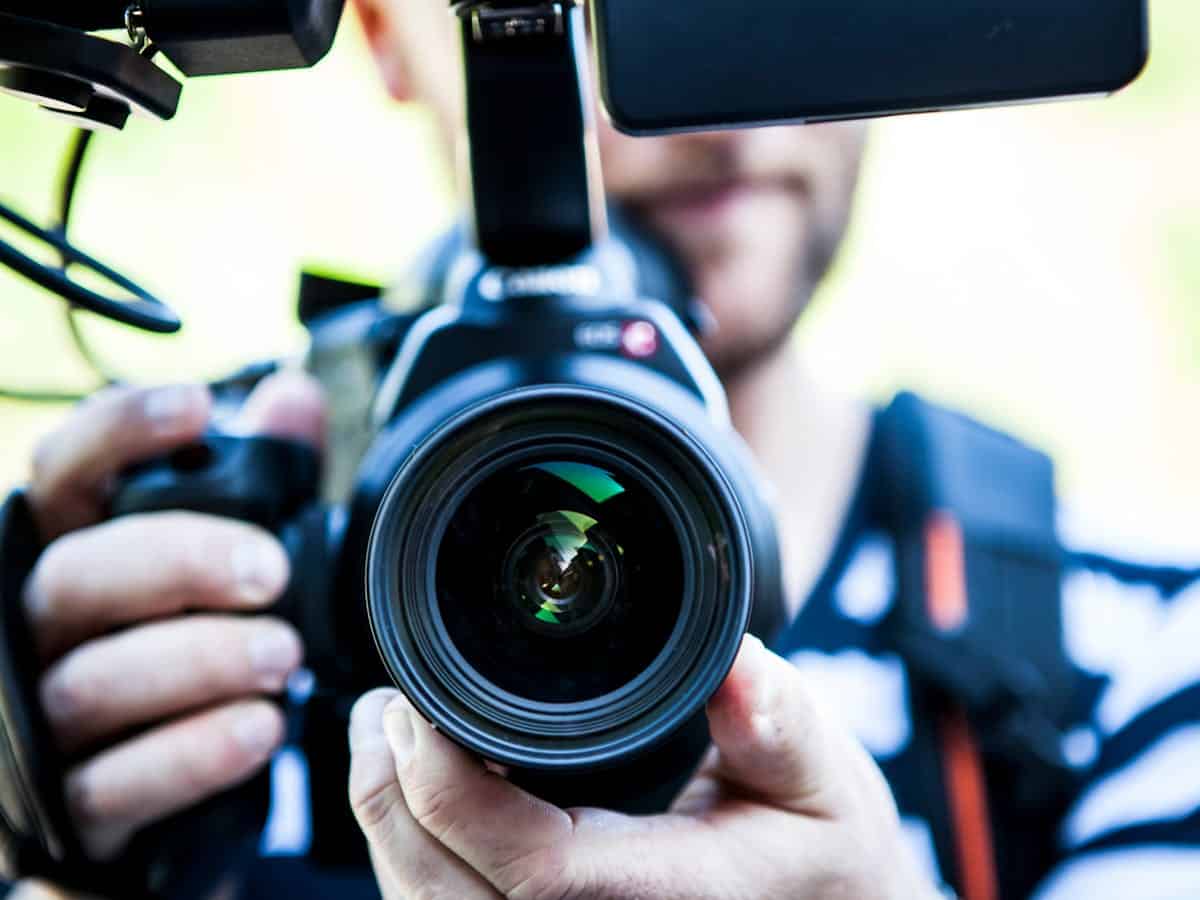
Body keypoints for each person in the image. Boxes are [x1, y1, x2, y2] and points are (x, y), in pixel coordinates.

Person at [6, 0, 1200, 897]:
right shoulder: (175, 609)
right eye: (587, 4)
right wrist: (40, 829)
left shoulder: (1144, 640)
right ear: (379, 29)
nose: (722, 99)